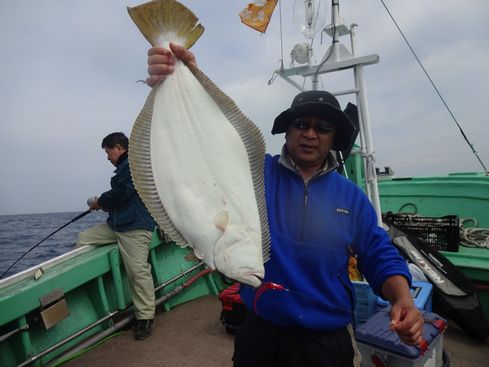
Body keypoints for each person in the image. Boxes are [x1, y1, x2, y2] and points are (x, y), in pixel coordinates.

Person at [145, 43, 424, 366]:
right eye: (301, 124)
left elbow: (378, 254)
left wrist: (403, 299)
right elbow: (201, 148)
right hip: (261, 332)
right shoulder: (253, 173)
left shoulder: (350, 197)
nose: (310, 134)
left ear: (333, 138)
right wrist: (180, 75)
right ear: (288, 129)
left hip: (327, 340)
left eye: (322, 128)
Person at [76, 132, 157, 340]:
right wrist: (105, 206)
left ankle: (145, 317)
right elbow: (123, 197)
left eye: (108, 151)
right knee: (84, 239)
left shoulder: (132, 164)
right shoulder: (123, 168)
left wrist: (100, 202)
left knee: (138, 272)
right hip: (117, 226)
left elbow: (124, 192)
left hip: (136, 227)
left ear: (119, 148)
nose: (107, 157)